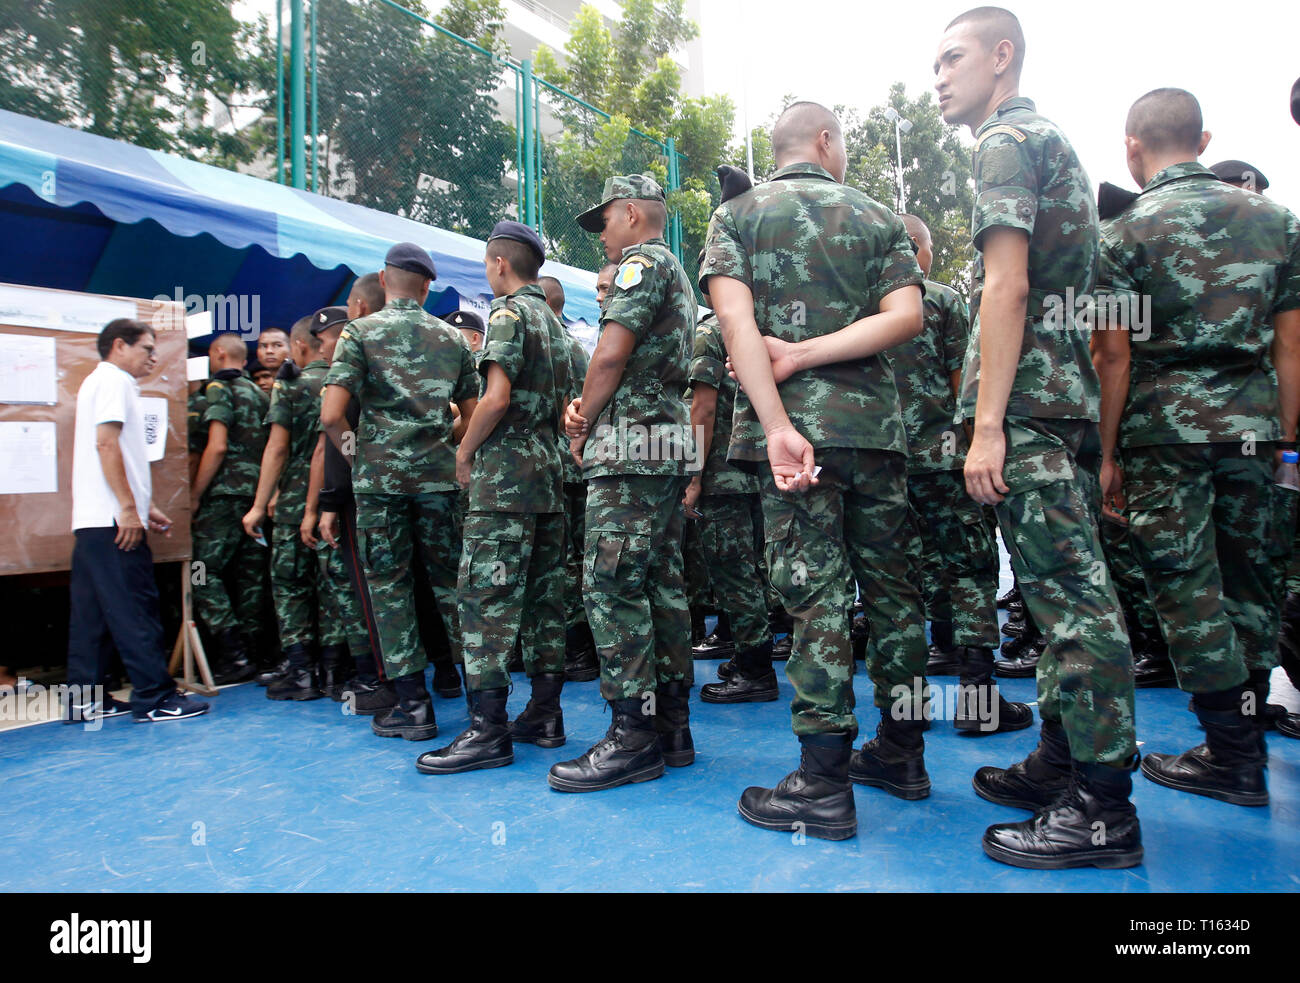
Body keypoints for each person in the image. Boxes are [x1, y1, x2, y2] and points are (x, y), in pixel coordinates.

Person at [933, 6, 1142, 869]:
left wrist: (988, 426)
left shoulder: (1006, 144)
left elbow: (1008, 288)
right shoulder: (1047, 140)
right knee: (1061, 602)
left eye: (953, 57)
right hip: (1052, 402)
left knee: (1074, 608)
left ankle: (1101, 809)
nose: (937, 76)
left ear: (1002, 57)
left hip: (1024, 410)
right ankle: (1064, 761)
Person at [701, 101, 928, 840]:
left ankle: (823, 783)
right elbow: (905, 317)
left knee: (815, 595)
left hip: (796, 434)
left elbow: (737, 328)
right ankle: (902, 751)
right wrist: (817, 351)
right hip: (877, 433)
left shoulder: (737, 214)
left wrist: (776, 420)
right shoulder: (879, 217)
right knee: (895, 592)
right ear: (827, 141)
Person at [1093, 87, 1300, 806]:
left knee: (1186, 588)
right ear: (1204, 139)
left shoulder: (1119, 236)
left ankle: (1231, 754)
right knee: (1251, 580)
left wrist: (1108, 452)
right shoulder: (1278, 222)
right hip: (1256, 425)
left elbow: (1112, 358)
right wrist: (1287, 443)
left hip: (1163, 431)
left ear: (1131, 148)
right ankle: (1240, 743)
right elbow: (1291, 348)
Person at [552, 174, 697, 792]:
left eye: (605, 221)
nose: (601, 236)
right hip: (664, 443)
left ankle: (631, 736)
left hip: (631, 444)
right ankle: (670, 726)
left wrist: (581, 419)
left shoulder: (641, 265)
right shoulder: (679, 272)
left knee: (610, 583)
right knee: (660, 581)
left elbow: (610, 354)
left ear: (632, 213)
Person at [416, 222, 572, 774]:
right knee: (545, 600)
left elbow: (496, 397)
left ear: (498, 265)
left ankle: (487, 731)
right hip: (549, 479)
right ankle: (545, 715)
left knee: (485, 599)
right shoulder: (556, 327)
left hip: (505, 479)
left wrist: (465, 452)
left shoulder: (507, 314)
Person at [321, 242, 479, 741]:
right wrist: (447, 451)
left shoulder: (359, 334)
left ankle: (413, 707)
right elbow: (471, 419)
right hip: (437, 483)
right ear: (428, 286)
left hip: (380, 487)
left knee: (389, 590)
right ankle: (481, 703)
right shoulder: (452, 339)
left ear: (384, 281)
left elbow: (330, 415)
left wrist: (360, 455)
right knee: (452, 588)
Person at [892, 214, 1030, 733]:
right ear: (922, 251)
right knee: (969, 569)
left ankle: (907, 706)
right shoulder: (941, 301)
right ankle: (978, 700)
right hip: (945, 460)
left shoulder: (863, 306)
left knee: (895, 578)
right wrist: (979, 444)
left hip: (884, 462)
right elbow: (963, 384)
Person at [66, 319, 209, 723]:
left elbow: (113, 454)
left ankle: (84, 699)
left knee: (91, 614)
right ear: (119, 346)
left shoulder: (98, 381)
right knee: (135, 607)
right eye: (147, 349)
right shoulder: (114, 382)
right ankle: (154, 697)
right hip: (112, 519)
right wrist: (128, 510)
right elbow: (107, 444)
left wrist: (143, 506)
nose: (153, 357)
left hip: (93, 518)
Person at [241, 316, 332, 700]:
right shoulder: (344, 380)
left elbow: (277, 448)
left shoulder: (291, 384)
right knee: (329, 585)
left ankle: (300, 672)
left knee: (290, 584)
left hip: (295, 500)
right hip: (336, 499)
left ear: (299, 347)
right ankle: (333, 672)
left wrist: (259, 505)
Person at [190, 332, 269, 685]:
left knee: (200, 570)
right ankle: (252, 650)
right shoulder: (260, 393)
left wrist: (194, 494)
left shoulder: (217, 390)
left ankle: (232, 650)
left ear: (218, 354)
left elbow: (217, 446)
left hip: (223, 496)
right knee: (248, 575)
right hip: (256, 497)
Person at [539, 275, 601, 682]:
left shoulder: (540, 343)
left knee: (563, 558)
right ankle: (589, 644)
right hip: (579, 461)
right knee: (586, 556)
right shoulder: (579, 349)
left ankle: (576, 645)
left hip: (553, 467)